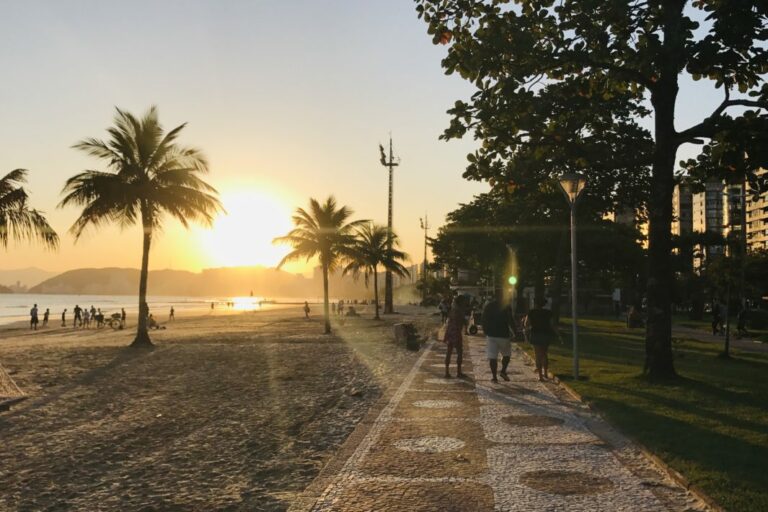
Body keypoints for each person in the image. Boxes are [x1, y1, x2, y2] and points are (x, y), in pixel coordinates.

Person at [482, 293, 516, 383]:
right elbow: (510, 320)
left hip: (492, 335)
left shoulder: (488, 306)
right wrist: (515, 331)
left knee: (492, 357)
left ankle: (494, 377)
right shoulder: (506, 307)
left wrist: (485, 330)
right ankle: (503, 371)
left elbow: (484, 319)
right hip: (503, 334)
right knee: (506, 355)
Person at [524, 297, 557, 382]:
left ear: (535, 303)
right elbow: (552, 324)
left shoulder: (531, 312)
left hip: (536, 334)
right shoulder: (549, 313)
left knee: (537, 355)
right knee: (544, 354)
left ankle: (540, 376)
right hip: (546, 334)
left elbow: (526, 323)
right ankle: (545, 372)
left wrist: (527, 327)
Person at [443, 295, 468, 379]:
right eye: (464, 301)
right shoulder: (459, 311)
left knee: (449, 352)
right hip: (456, 333)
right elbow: (462, 322)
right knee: (459, 352)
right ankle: (458, 372)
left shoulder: (452, 309)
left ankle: (447, 372)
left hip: (450, 332)